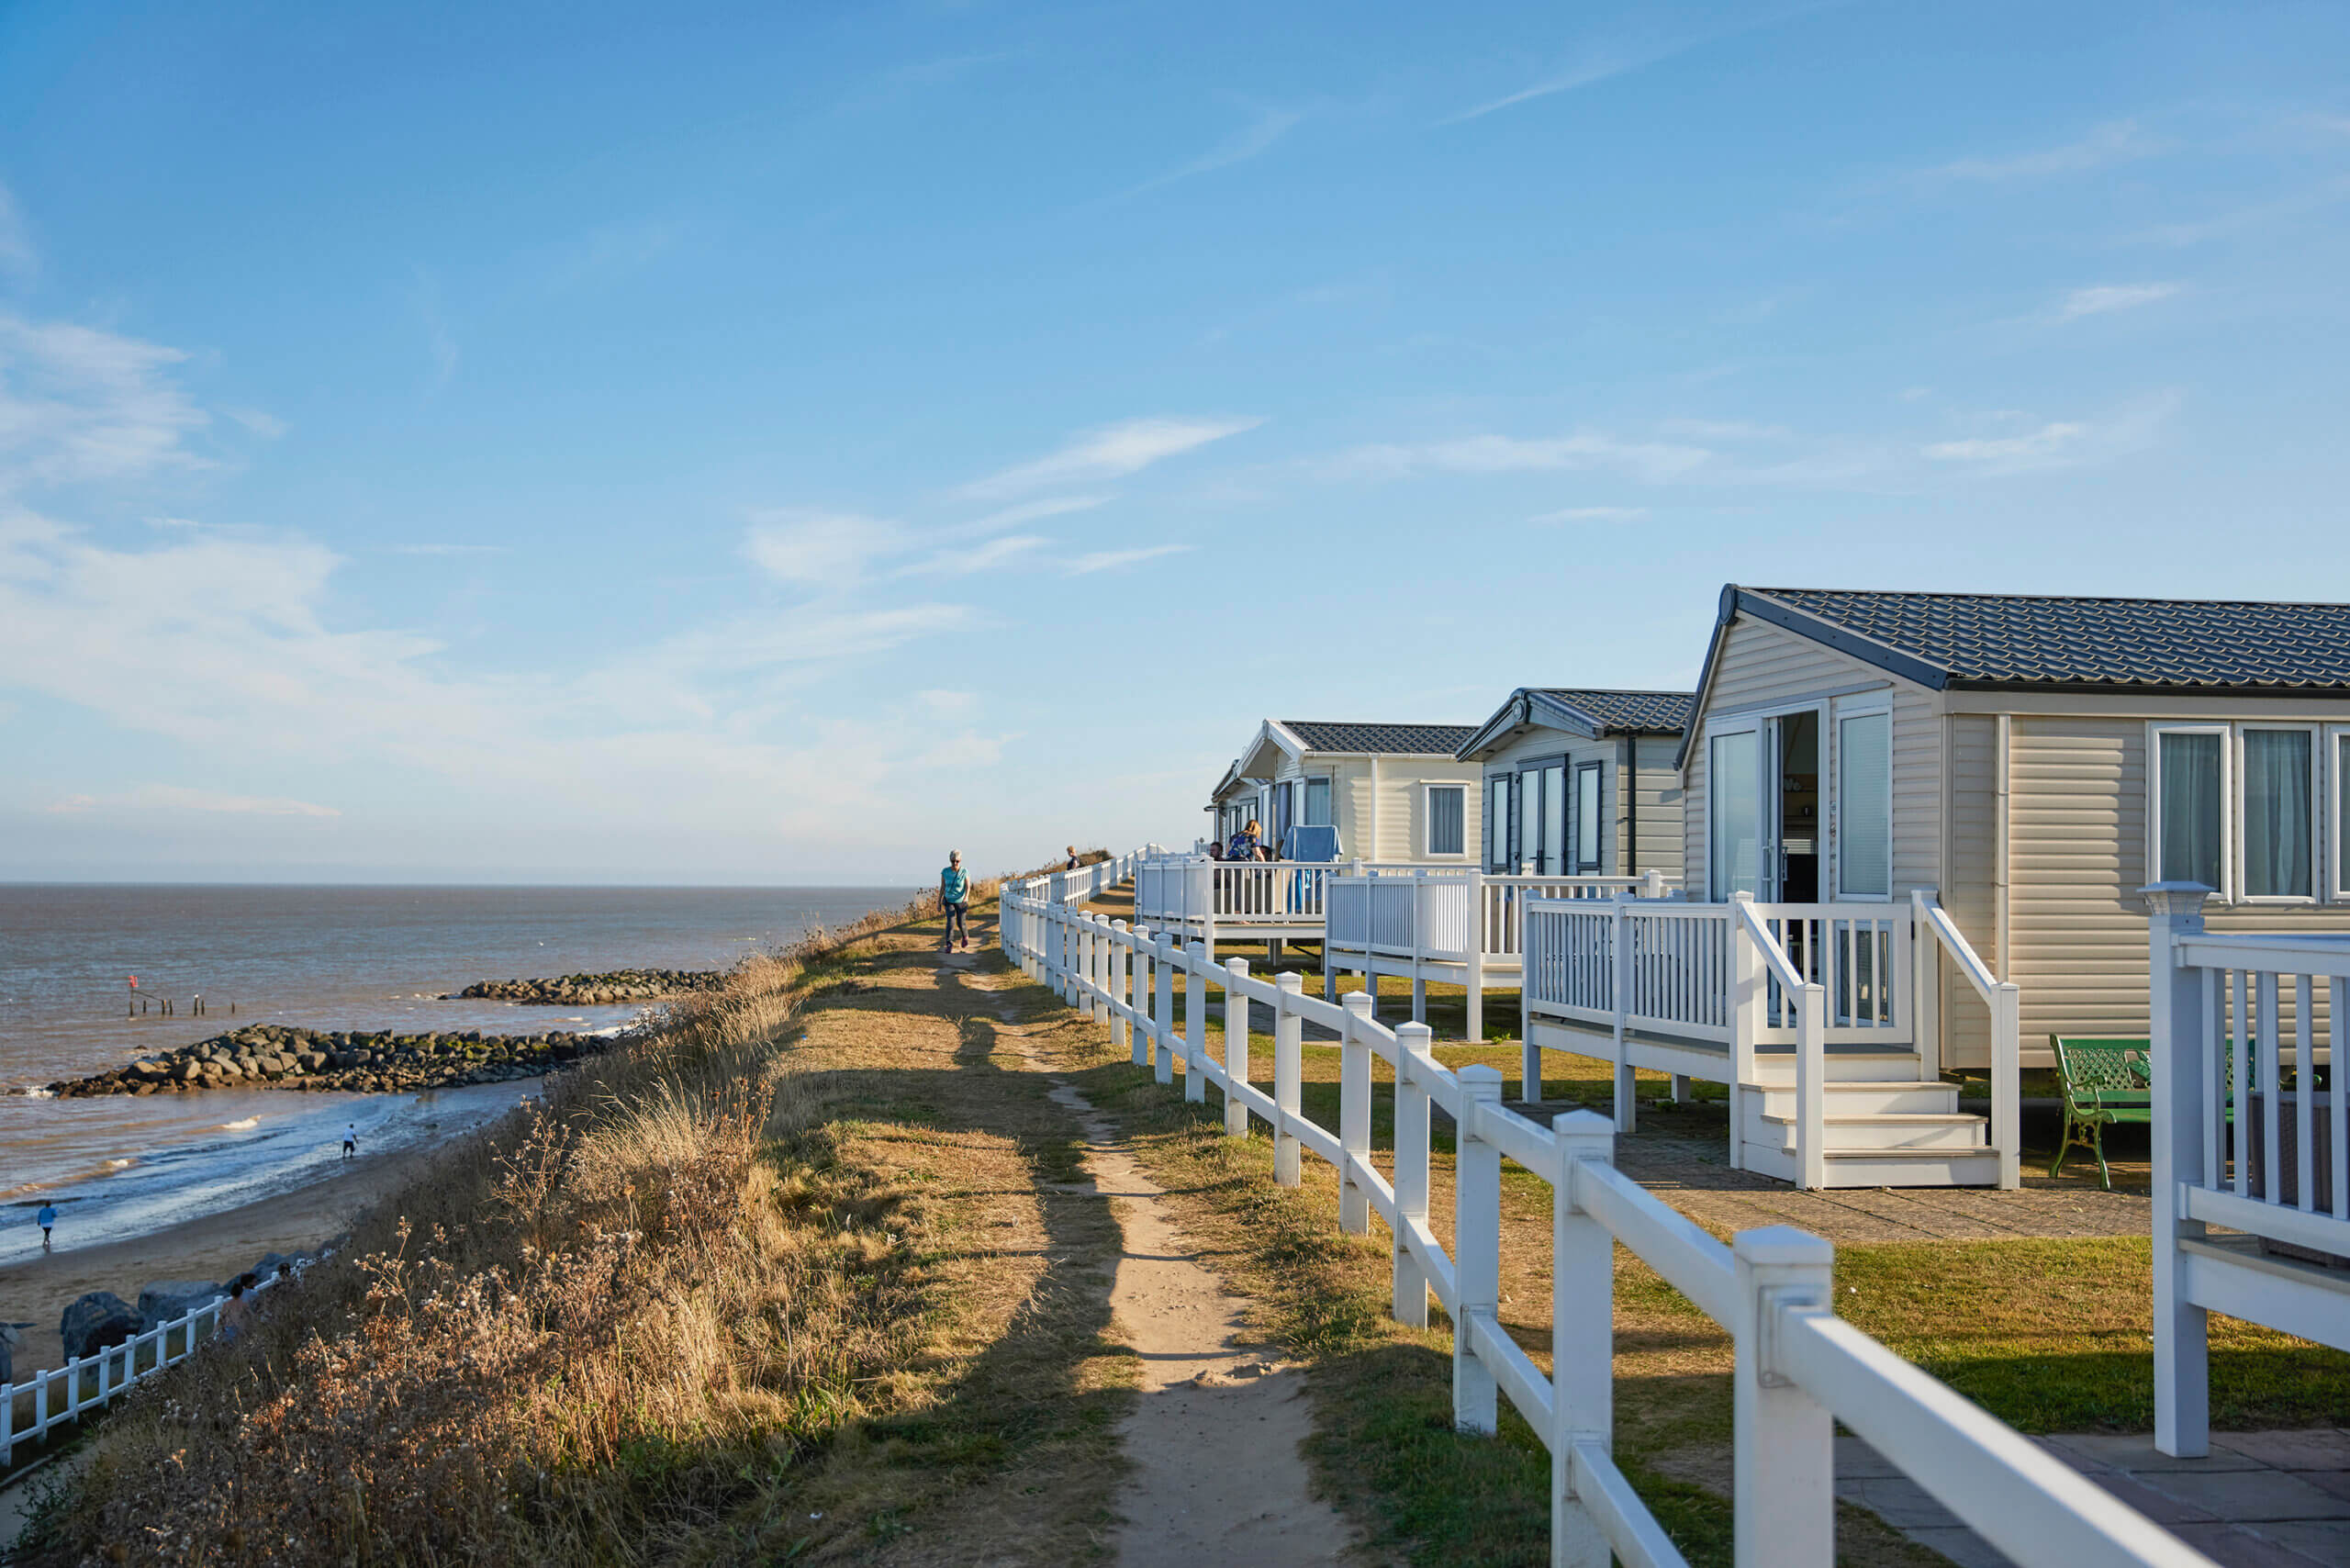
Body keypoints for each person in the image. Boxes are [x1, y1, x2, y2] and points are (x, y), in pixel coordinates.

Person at [940, 851, 970, 952]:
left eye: (957, 861)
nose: (955, 863)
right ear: (950, 861)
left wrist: (966, 897)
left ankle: (965, 936)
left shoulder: (964, 871)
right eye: (953, 861)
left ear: (960, 861)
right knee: (950, 922)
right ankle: (949, 943)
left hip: (961, 901)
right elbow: (943, 887)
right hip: (949, 900)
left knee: (961, 922)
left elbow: (968, 886)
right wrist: (939, 901)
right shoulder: (945, 872)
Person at [216, 1275, 254, 1344]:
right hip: (239, 1331)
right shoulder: (244, 1305)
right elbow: (252, 1316)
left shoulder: (226, 1304)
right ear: (241, 1293)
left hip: (228, 1331)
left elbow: (220, 1320)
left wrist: (213, 1333)